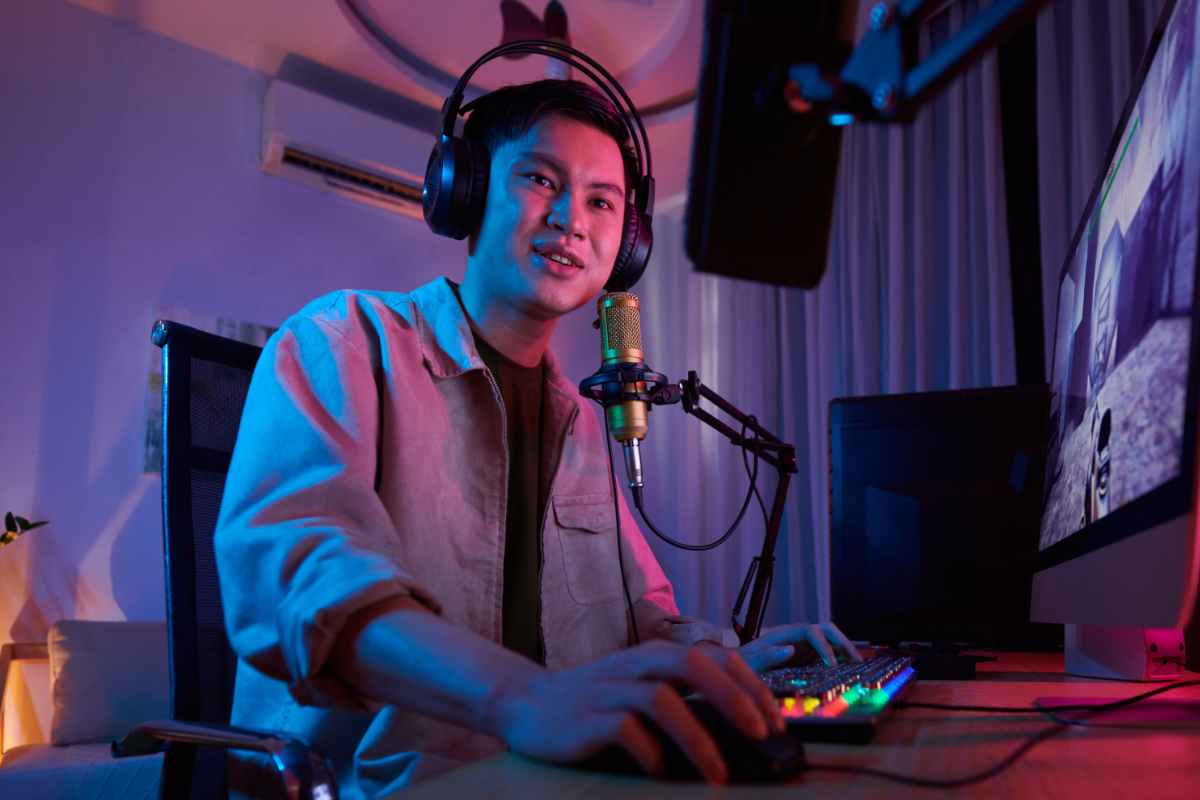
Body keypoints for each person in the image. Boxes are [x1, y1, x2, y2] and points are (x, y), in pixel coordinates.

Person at [214, 79, 859, 799]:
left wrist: (734, 659)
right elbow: (301, 574)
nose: (571, 220)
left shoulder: (583, 424)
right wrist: (520, 697)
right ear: (464, 190)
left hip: (555, 780)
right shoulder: (342, 340)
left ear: (628, 242)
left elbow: (642, 617)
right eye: (541, 179)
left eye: (601, 201)